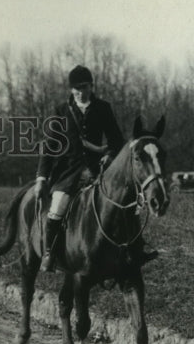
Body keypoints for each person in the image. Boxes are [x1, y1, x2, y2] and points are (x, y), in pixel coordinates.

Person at [36, 65, 157, 272]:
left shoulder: (103, 108)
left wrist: (109, 156)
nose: (81, 92)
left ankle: (136, 248)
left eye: (85, 87)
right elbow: (49, 147)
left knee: (123, 201)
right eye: (76, 88)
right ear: (71, 89)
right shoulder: (60, 111)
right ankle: (50, 253)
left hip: (98, 169)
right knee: (57, 207)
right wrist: (41, 177)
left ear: (92, 86)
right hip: (69, 172)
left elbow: (116, 140)